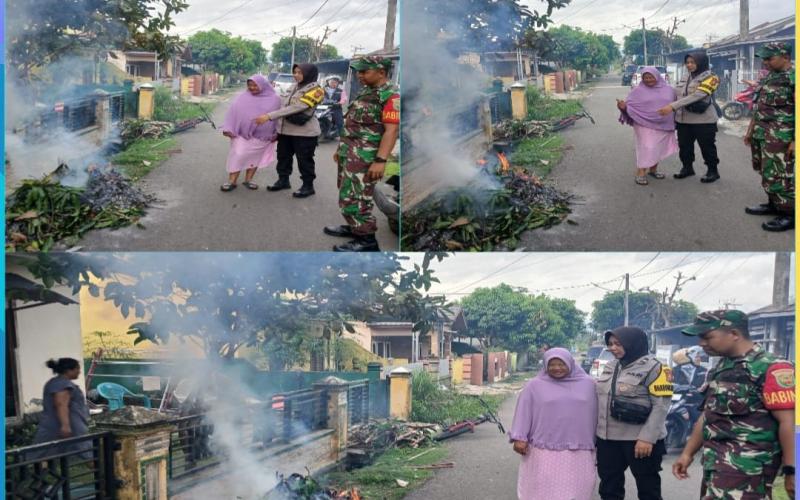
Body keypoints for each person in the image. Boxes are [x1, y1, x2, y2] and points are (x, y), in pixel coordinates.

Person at [673, 310, 795, 499]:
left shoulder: (772, 368)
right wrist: (687, 453)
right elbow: (708, 415)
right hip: (715, 465)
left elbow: (788, 422)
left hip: (749, 471)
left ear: (735, 334)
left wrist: (791, 470)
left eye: (707, 337)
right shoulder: (720, 368)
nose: (701, 343)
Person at [323, 56, 399, 252]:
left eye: (364, 71)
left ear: (381, 72)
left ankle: (367, 241)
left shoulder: (390, 95)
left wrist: (381, 160)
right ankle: (356, 228)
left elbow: (391, 131)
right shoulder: (367, 92)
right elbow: (354, 124)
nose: (360, 75)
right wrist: (341, 149)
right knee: (347, 191)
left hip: (366, 158)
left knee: (356, 198)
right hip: (350, 153)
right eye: (359, 71)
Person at [509, 348, 598, 500]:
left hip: (580, 448)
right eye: (552, 364)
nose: (557, 368)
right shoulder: (534, 386)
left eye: (561, 364)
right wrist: (519, 437)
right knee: (541, 490)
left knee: (578, 490)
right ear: (545, 365)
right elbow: (523, 411)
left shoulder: (590, 385)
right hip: (543, 449)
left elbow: (599, 412)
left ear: (570, 363)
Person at [596, 326, 673, 500]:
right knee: (609, 487)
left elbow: (661, 406)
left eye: (618, 344)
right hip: (608, 440)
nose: (612, 348)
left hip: (639, 440)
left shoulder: (657, 368)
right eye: (610, 344)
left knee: (648, 489)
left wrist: (647, 438)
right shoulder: (610, 366)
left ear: (633, 343)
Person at [743, 42, 795, 232]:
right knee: (766, 171)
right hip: (762, 133)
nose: (765, 62)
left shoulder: (793, 77)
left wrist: (795, 141)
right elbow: (760, 107)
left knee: (781, 176)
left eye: (769, 58)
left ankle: (790, 214)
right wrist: (750, 131)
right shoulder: (770, 77)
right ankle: (774, 204)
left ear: (785, 57)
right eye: (763, 58)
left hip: (781, 137)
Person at [255, 63, 324, 198]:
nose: (296, 75)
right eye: (295, 72)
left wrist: (269, 116)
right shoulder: (293, 87)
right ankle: (283, 180)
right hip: (285, 131)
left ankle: (308, 186)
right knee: (283, 157)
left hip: (304, 133)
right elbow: (280, 102)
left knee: (304, 160)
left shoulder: (317, 90)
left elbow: (297, 107)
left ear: (309, 74)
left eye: (299, 72)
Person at [658, 51, 721, 183]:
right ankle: (687, 168)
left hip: (704, 120)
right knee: (684, 146)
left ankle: (712, 171)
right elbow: (675, 91)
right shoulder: (686, 76)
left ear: (701, 62)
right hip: (684, 119)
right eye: (687, 62)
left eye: (693, 62)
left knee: (707, 146)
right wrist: (656, 91)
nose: (689, 65)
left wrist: (672, 106)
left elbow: (697, 95)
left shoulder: (712, 77)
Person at [617, 67, 678, 186]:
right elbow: (629, 106)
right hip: (642, 123)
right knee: (647, 147)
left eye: (651, 77)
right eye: (646, 77)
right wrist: (623, 107)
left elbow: (675, 105)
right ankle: (640, 173)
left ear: (657, 76)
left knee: (658, 147)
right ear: (642, 78)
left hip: (663, 124)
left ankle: (653, 170)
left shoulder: (669, 90)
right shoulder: (637, 91)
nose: (649, 80)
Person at [219, 74, 280, 192]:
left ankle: (248, 180)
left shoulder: (275, 99)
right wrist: (228, 128)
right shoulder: (243, 97)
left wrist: (276, 133)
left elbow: (278, 117)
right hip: (241, 134)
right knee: (238, 154)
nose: (252, 87)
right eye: (249, 85)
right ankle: (232, 181)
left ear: (263, 85)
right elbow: (233, 112)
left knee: (255, 157)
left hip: (263, 136)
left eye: (255, 85)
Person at [32, 358, 91, 456]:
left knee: (42, 452)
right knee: (87, 453)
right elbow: (61, 404)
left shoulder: (56, 382)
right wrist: (65, 426)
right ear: (69, 370)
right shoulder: (61, 384)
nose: (80, 372)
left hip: (53, 425)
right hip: (71, 427)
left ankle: (42, 468)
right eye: (77, 369)